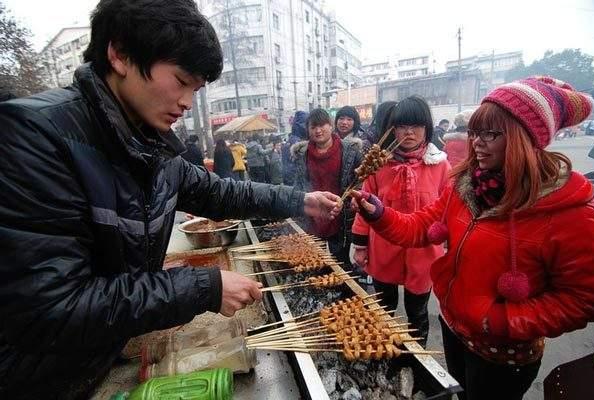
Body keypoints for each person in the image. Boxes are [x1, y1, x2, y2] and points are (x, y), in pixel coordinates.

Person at [0, 1, 342, 398]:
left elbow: (221, 193)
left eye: (195, 90)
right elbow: (52, 307)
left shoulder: (150, 143)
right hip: (38, 381)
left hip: (98, 359)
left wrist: (300, 200)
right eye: (180, 81)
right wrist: (203, 288)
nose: (186, 102)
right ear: (120, 54)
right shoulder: (33, 138)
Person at [350, 76, 594, 400]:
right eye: (475, 133)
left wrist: (503, 320)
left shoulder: (568, 213)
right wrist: (379, 214)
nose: (477, 143)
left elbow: (586, 297)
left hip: (501, 355)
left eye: (491, 134)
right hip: (455, 332)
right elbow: (419, 226)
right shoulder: (466, 188)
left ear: (525, 137)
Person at [350, 96, 451, 346]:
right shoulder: (378, 165)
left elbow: (450, 208)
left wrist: (450, 243)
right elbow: (364, 209)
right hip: (384, 248)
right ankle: (385, 350)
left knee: (418, 312)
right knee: (385, 309)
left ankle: (416, 359)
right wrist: (360, 245)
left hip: (424, 252)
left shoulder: (440, 165)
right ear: (392, 129)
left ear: (426, 127)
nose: (409, 132)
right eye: (402, 126)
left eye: (416, 126)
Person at [291, 108, 363, 263]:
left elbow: (360, 181)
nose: (318, 131)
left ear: (331, 125)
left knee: (341, 262)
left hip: (340, 217)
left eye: (322, 125)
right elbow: (298, 185)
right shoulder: (301, 154)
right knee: (316, 263)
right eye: (313, 127)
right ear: (308, 130)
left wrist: (354, 198)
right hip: (313, 217)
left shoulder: (350, 151)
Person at [282, 110, 308, 185]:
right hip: (298, 187)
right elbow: (291, 170)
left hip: (294, 185)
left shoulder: (292, 140)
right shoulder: (297, 143)